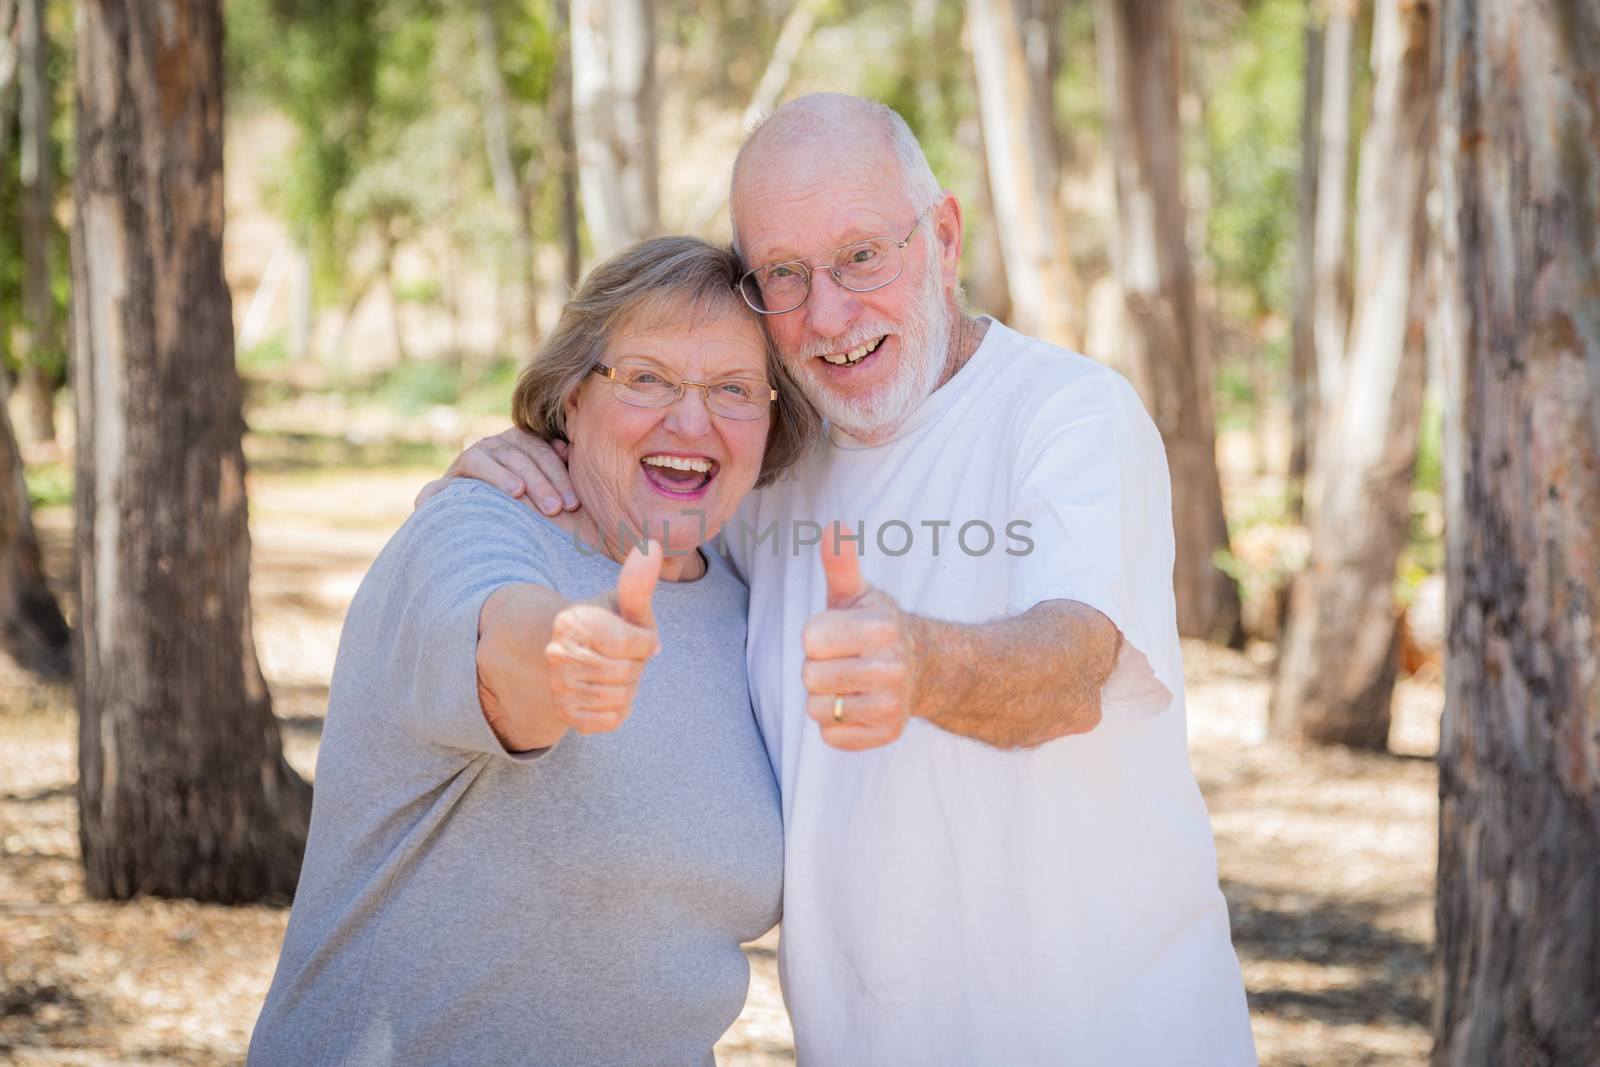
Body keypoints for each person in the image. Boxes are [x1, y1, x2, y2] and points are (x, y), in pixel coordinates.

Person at [423, 94, 1257, 1065]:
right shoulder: (768, 465)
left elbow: (1075, 669)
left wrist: (921, 663)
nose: (827, 313)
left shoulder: (1068, 416)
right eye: (783, 273)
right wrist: (523, 458)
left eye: (862, 255)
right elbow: (635, 495)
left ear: (941, 236)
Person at [248, 236, 820, 1067]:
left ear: (773, 420)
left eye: (733, 388)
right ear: (571, 397)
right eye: (647, 377)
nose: (691, 421)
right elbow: (500, 642)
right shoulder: (473, 525)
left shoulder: (749, 604)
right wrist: (568, 654)